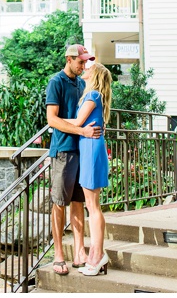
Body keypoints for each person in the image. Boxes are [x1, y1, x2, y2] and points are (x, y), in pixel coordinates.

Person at [46, 44, 103, 276]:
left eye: (85, 62)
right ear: (69, 59)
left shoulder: (82, 84)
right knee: (59, 202)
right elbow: (52, 119)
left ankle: (80, 252)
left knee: (78, 202)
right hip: (63, 150)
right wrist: (81, 132)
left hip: (82, 151)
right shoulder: (56, 82)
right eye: (80, 62)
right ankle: (58, 254)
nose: (84, 65)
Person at [64, 63, 112, 276]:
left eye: (89, 67)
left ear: (95, 75)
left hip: (91, 149)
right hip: (88, 148)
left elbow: (78, 121)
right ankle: (96, 253)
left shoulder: (93, 94)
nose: (85, 68)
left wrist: (53, 121)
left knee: (93, 207)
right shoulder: (92, 95)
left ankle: (97, 255)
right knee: (92, 206)